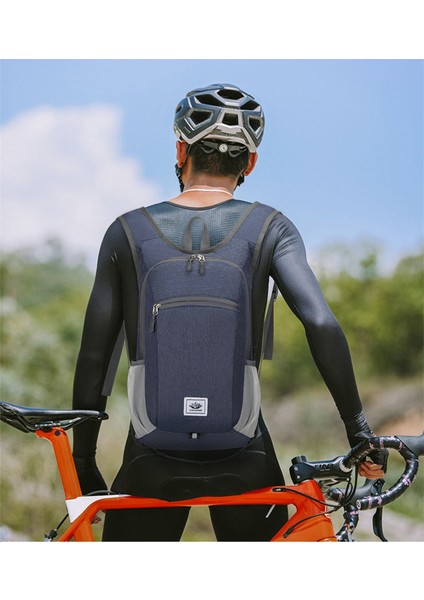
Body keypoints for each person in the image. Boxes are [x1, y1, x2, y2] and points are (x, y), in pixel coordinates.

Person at [72, 83, 385, 541]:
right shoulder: (272, 227)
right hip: (244, 453)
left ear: (181, 150)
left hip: (150, 455)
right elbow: (320, 322)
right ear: (250, 162)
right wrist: (359, 433)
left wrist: (83, 462)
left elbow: (95, 356)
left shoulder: (127, 230)